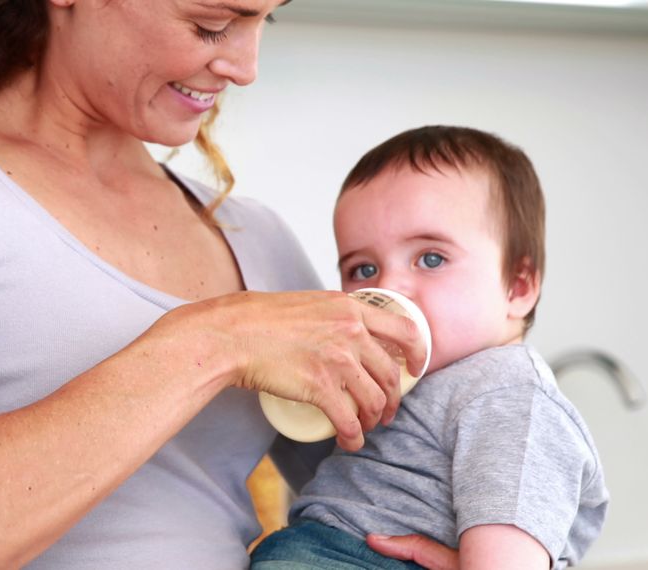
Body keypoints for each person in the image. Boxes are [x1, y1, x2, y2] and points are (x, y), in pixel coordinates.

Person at [0, 1, 458, 568]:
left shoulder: (254, 238)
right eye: (212, 24)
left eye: (264, 21)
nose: (245, 68)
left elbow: (394, 493)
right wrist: (213, 340)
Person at [250, 126, 610, 569]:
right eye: (363, 269)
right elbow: (327, 472)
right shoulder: (400, 378)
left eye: (431, 258)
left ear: (518, 286)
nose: (388, 286)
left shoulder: (509, 398)